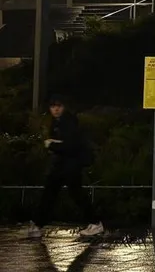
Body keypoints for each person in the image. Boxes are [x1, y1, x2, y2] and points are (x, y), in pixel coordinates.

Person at [28, 96, 104, 239]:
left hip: (70, 164)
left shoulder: (68, 122)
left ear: (64, 107)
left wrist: (52, 144)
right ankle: (38, 224)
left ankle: (95, 223)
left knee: (71, 193)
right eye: (53, 106)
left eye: (59, 106)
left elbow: (71, 145)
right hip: (63, 164)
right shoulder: (58, 122)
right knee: (52, 192)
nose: (56, 109)